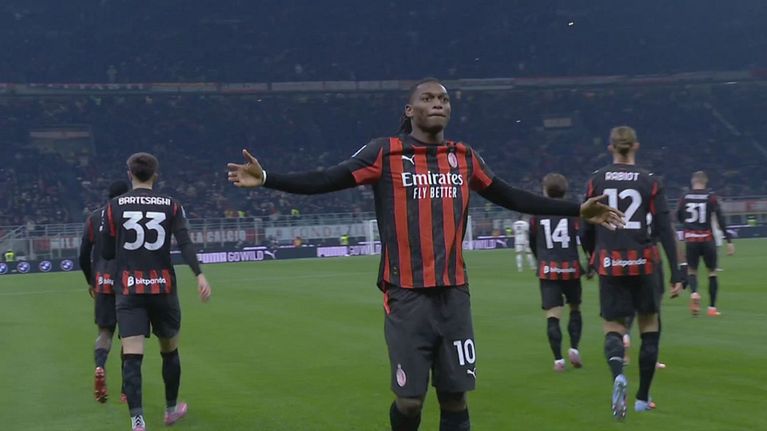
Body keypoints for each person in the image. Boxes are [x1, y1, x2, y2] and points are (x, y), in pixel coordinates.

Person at [226, 78, 622, 431]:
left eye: (444, 99)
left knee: (455, 397)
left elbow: (511, 196)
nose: (437, 103)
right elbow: (327, 178)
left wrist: (577, 209)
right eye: (428, 98)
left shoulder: (464, 157)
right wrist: (268, 178)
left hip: (453, 295)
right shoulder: (385, 153)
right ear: (409, 110)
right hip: (406, 295)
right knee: (410, 402)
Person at [101, 152, 212, 431]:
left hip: (129, 290)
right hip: (163, 290)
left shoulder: (113, 207)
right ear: (156, 175)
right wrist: (199, 274)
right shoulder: (171, 205)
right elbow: (185, 243)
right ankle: (171, 410)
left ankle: (137, 422)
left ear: (130, 174)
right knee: (169, 351)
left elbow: (106, 251)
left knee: (132, 356)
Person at [581, 126, 683, 421]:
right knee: (649, 326)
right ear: (635, 146)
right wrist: (677, 271)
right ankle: (642, 398)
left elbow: (585, 226)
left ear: (610, 147)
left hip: (611, 263)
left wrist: (591, 256)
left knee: (613, 327)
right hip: (645, 263)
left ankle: (618, 375)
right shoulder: (650, 181)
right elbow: (664, 229)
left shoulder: (596, 180)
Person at [79, 180, 131, 403]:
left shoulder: (94, 218)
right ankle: (126, 389)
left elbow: (83, 255)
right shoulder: (130, 216)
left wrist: (91, 281)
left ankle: (100, 366)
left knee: (104, 333)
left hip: (102, 281)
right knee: (129, 337)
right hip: (129, 282)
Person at [528, 173, 584, 372]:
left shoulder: (537, 214)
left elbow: (532, 241)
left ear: (545, 191)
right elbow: (583, 235)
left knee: (553, 316)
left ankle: (558, 360)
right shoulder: (573, 211)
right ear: (565, 190)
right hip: (571, 268)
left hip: (548, 269)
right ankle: (574, 348)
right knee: (575, 308)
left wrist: (540, 260)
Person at [676, 171, 735, 317]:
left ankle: (694, 293)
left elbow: (678, 216)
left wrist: (687, 223)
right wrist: (728, 240)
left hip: (691, 240)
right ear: (705, 182)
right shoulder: (711, 197)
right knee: (712, 273)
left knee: (692, 271)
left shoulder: (685, 197)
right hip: (707, 240)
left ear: (693, 181)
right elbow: (720, 218)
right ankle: (712, 308)